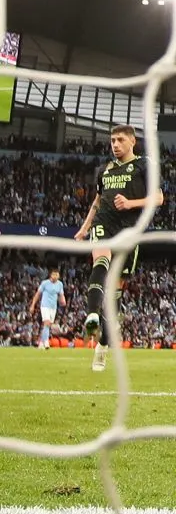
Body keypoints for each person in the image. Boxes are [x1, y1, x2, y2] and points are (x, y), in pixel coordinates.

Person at [74, 124, 162, 372]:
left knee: (114, 298)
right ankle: (92, 315)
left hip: (129, 229)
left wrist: (130, 203)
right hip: (103, 224)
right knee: (100, 259)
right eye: (112, 140)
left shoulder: (145, 165)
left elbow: (158, 198)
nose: (114, 144)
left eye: (120, 140)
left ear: (132, 142)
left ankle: (102, 346)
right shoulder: (106, 170)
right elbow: (97, 202)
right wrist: (84, 228)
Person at [28, 269, 65, 350]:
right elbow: (38, 294)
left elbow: (61, 294)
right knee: (47, 323)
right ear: (51, 275)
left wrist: (63, 300)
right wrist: (33, 305)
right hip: (45, 305)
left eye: (57, 275)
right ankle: (46, 342)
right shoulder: (45, 283)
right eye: (54, 274)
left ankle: (41, 342)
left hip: (53, 307)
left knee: (48, 326)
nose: (56, 276)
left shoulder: (60, 284)